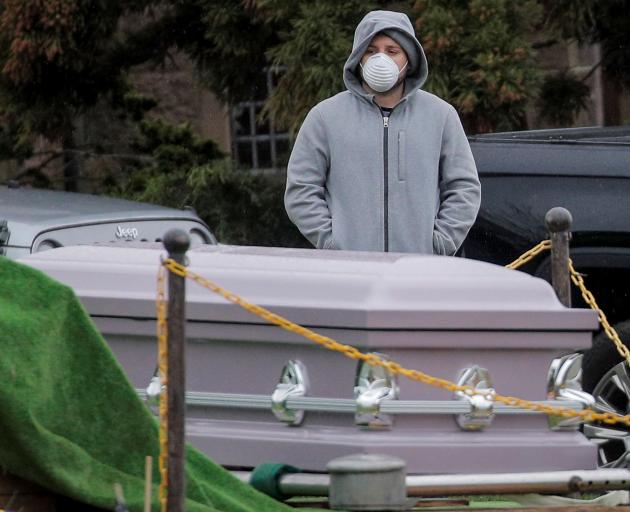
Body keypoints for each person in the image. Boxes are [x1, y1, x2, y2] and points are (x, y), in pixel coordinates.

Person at [284, 10, 481, 255]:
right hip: (352, 275)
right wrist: (332, 243)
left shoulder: (441, 116)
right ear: (359, 57)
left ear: (409, 58)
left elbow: (464, 188)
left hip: (420, 273)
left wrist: (439, 244)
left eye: (392, 50)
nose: (381, 58)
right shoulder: (325, 117)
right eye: (371, 50)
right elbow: (301, 189)